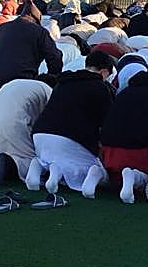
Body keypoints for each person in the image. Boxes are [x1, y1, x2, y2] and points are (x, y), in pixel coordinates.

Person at [28, 51, 116, 199]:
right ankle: (89, 179)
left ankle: (41, 167)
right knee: (92, 170)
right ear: (104, 71)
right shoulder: (99, 87)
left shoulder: (63, 83)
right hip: (71, 138)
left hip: (41, 136)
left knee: (55, 162)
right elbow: (108, 122)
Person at [99, 63, 148, 203]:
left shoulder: (124, 93)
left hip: (109, 153)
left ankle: (96, 174)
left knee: (114, 178)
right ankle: (133, 176)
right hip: (138, 153)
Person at [0, 0, 62, 96]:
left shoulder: (2, 27)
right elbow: (55, 57)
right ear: (36, 19)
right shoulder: (40, 32)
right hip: (20, 84)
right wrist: (52, 79)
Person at [0, 78, 52, 183]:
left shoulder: (13, 84)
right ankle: (11, 163)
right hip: (13, 124)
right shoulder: (48, 91)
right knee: (32, 161)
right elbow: (49, 123)